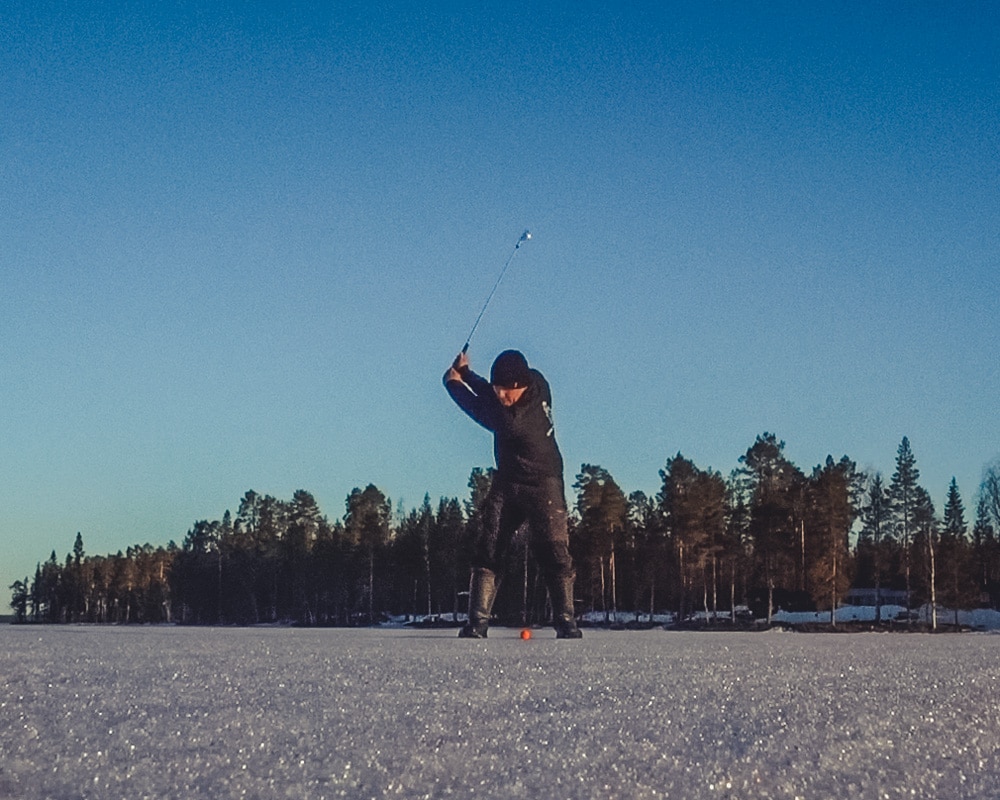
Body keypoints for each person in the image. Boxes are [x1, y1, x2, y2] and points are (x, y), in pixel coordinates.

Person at [443, 348, 582, 639]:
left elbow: (477, 406)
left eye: (508, 391)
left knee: (554, 551)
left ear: (522, 386)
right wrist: (467, 373)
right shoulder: (538, 381)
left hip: (544, 483)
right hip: (508, 481)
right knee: (489, 546)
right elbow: (490, 396)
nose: (502, 396)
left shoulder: (514, 421)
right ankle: (477, 623)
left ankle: (566, 622)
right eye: (499, 389)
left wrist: (453, 383)